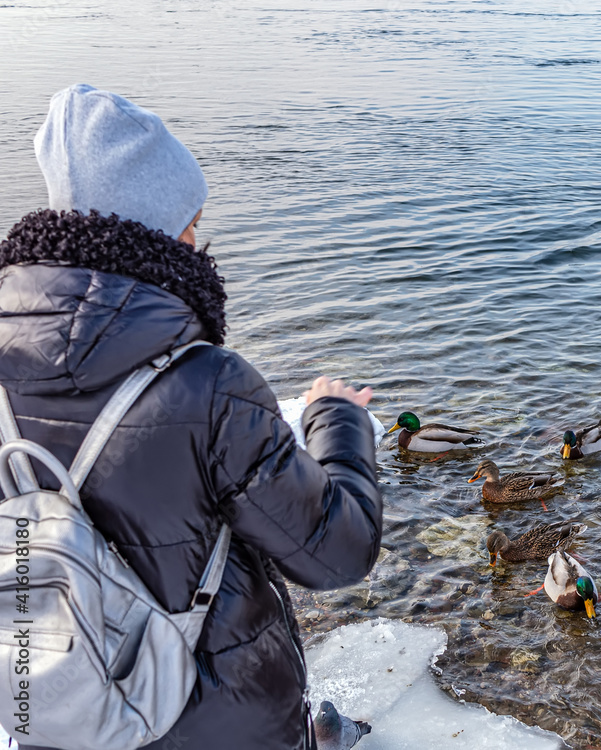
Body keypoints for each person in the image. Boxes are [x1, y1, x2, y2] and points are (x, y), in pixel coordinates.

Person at [0, 84, 382, 749]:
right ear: (155, 225)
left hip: (58, 709)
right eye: (190, 220)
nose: (197, 238)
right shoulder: (205, 386)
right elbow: (338, 554)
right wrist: (336, 419)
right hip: (216, 723)